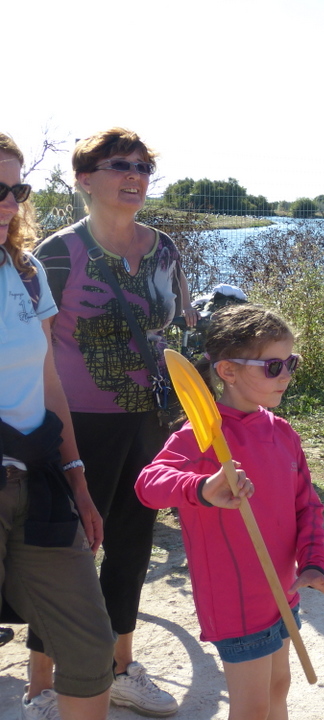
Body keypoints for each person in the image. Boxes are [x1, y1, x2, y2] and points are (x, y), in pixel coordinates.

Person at [31, 128, 182, 716]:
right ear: (84, 179)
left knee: (131, 543)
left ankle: (120, 667)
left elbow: (175, 325)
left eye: (144, 166)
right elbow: (35, 349)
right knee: (66, 553)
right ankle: (44, 684)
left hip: (147, 417)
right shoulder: (57, 253)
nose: (135, 176)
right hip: (75, 422)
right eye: (120, 165)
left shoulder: (164, 247)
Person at [136, 304, 324, 720]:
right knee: (250, 707)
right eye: (272, 366)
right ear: (228, 372)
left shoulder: (282, 432)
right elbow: (149, 485)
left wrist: (315, 563)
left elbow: (308, 506)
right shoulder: (201, 434)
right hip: (237, 600)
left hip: (282, 590)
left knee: (278, 687)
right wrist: (200, 488)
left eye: (291, 363)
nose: (285, 374)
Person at [0, 132, 115, 720]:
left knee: (89, 644)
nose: (9, 204)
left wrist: (77, 480)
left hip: (38, 480)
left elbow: (50, 385)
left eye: (16, 189)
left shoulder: (24, 272)